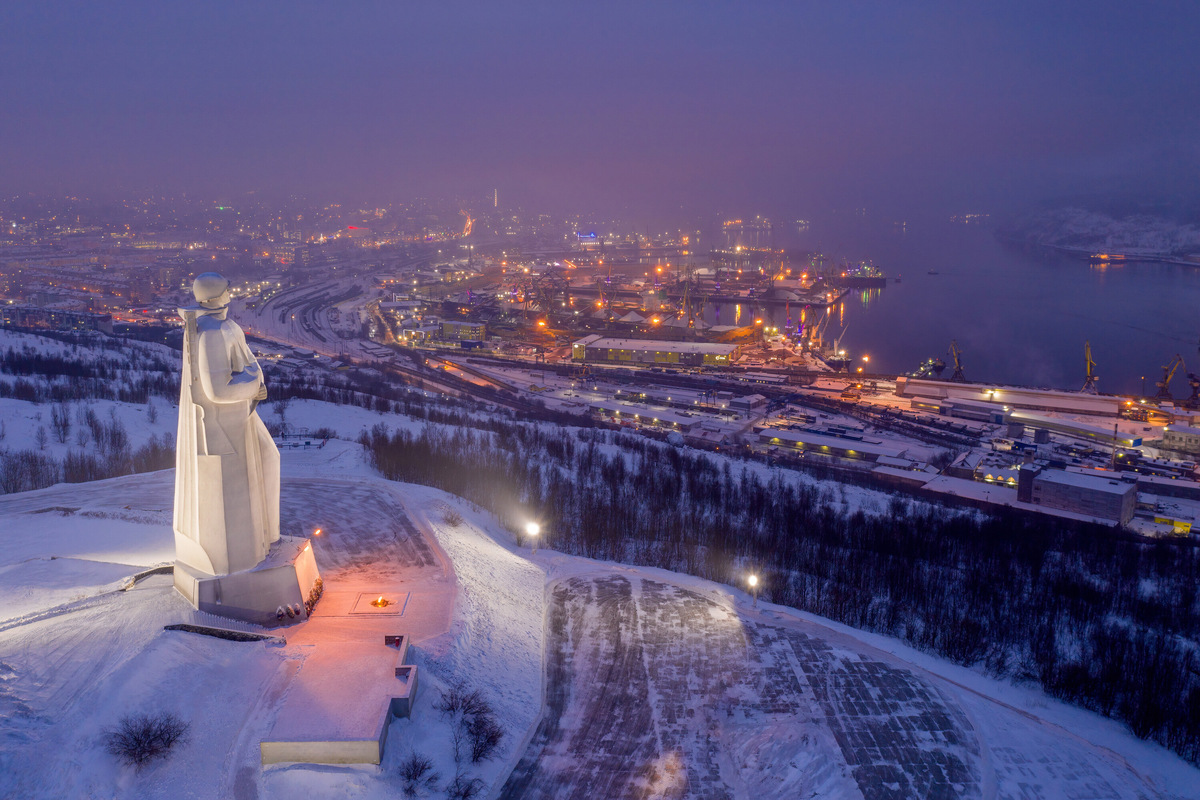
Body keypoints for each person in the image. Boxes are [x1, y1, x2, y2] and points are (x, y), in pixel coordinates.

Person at [173, 272, 280, 576]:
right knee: (235, 496)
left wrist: (253, 382)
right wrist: (254, 382)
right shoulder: (212, 333)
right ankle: (242, 559)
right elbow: (217, 390)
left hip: (241, 417)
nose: (232, 292)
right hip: (225, 427)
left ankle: (266, 539)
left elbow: (244, 367)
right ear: (218, 295)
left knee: (269, 460)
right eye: (227, 289)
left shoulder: (224, 326)